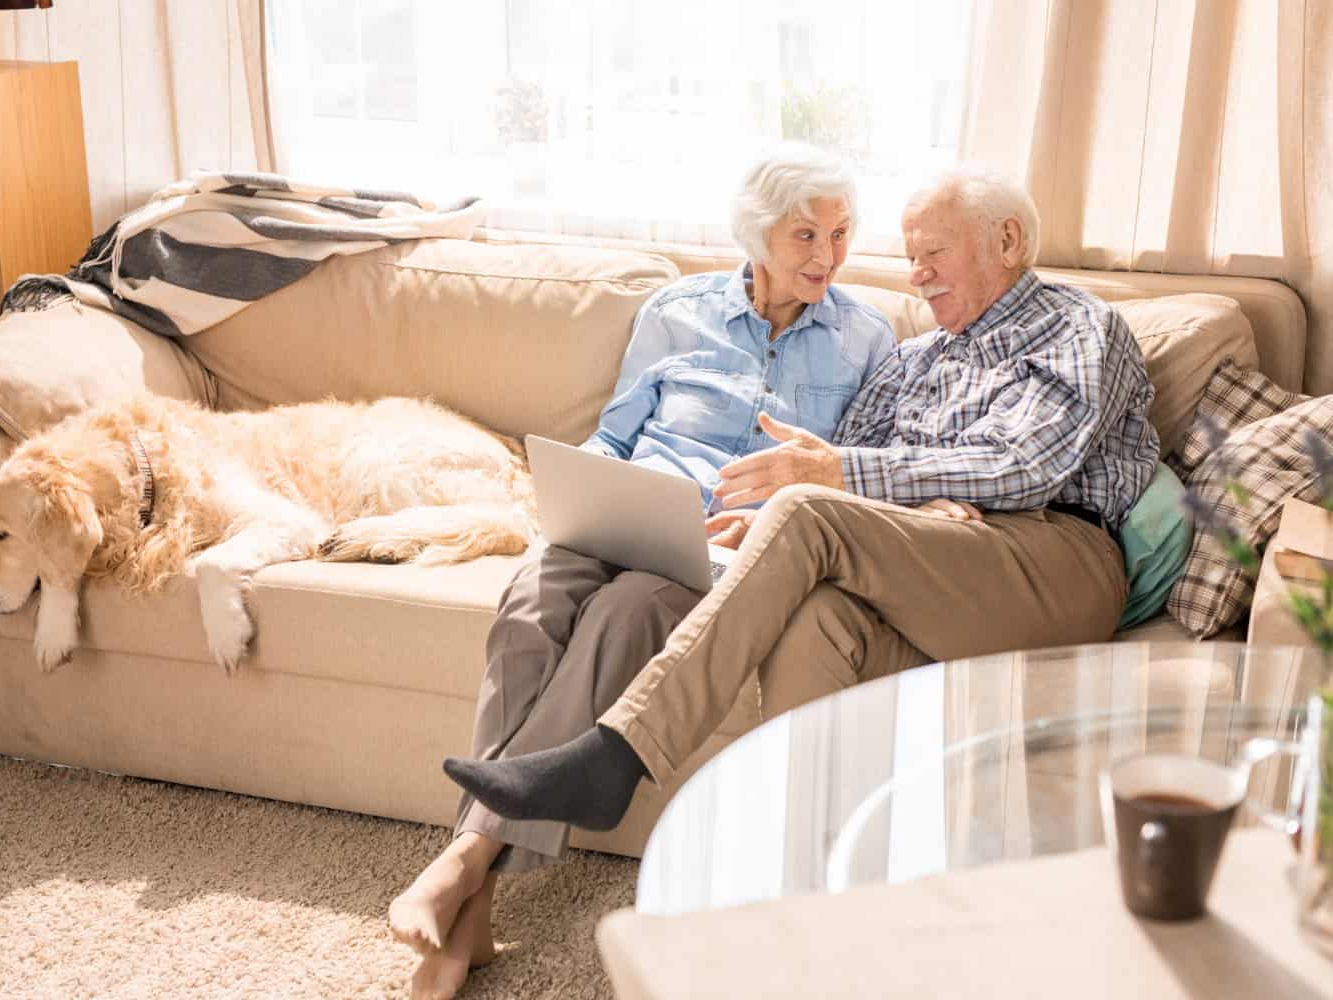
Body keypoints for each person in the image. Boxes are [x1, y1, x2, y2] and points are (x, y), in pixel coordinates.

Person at [444, 164, 1160, 841]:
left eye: (934, 252)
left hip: (1055, 559)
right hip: (939, 561)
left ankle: (618, 754)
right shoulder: (915, 358)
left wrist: (845, 483)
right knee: (813, 619)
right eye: (910, 256)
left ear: (1006, 240)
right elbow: (848, 484)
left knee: (807, 509)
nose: (916, 274)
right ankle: (795, 866)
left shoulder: (1077, 326)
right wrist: (891, 513)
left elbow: (1021, 467)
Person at [385, 143, 895, 999]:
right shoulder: (675, 311)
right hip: (624, 512)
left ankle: (467, 867)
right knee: (527, 606)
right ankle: (472, 895)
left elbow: (851, 476)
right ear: (756, 232)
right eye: (805, 234)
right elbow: (615, 434)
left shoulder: (867, 338)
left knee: (627, 617)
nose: (826, 256)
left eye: (842, 235)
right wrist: (580, 488)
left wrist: (779, 504)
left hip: (727, 545)